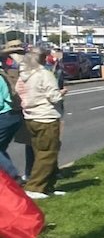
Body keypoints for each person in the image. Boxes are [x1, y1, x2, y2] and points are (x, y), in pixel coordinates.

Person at [16, 48, 65, 198]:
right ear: (42, 59)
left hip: (31, 116)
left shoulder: (24, 76)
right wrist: (61, 93)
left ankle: (47, 186)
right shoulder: (44, 74)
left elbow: (19, 91)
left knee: (39, 152)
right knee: (48, 153)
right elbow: (53, 96)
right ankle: (34, 187)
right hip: (46, 117)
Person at [0, 40, 25, 184]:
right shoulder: (9, 71)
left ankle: (13, 176)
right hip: (16, 112)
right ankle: (10, 178)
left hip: (7, 114)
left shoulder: (9, 71)